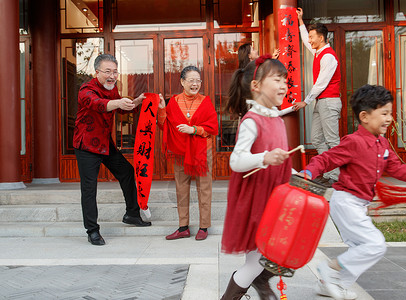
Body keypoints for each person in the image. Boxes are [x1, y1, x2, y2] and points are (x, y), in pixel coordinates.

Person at [298, 85, 406, 300]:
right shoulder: (353, 142)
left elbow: (399, 170)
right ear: (364, 116)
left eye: (390, 113)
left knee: (360, 251)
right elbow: (326, 159)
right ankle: (329, 270)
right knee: (375, 245)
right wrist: (309, 172)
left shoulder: (383, 144)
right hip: (346, 202)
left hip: (358, 205)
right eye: (384, 113)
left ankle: (332, 285)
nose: (389, 118)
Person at [220, 55, 292, 300]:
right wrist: (264, 157)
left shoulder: (277, 120)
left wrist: (297, 176)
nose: (283, 85)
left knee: (278, 254)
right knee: (255, 261)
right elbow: (236, 161)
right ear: (256, 86)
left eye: (285, 80)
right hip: (257, 203)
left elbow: (280, 162)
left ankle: (261, 283)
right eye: (277, 79)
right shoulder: (252, 121)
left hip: (275, 200)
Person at [73, 54, 152, 246]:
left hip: (105, 143)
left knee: (126, 172)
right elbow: (98, 104)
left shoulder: (113, 88)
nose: (112, 76)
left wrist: (137, 101)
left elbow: (122, 107)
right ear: (97, 72)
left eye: (115, 72)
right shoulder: (86, 89)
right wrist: (118, 102)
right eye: (107, 71)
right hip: (86, 145)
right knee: (89, 189)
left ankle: (132, 214)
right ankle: (92, 230)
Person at [157, 66, 218, 241]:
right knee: (181, 189)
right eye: (191, 80)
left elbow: (213, 127)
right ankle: (183, 227)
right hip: (181, 150)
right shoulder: (173, 102)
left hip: (202, 151)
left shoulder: (206, 101)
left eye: (198, 80)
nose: (195, 84)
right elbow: (164, 125)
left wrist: (194, 129)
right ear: (182, 82)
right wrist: (162, 108)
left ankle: (204, 227)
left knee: (204, 189)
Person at [293, 8, 342, 187]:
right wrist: (300, 21)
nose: (310, 40)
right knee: (317, 139)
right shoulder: (319, 52)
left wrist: (305, 101)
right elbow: (306, 41)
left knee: (332, 141)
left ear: (321, 38)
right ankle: (330, 173)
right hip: (321, 102)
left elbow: (321, 84)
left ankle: (337, 177)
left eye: (313, 36)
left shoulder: (328, 57)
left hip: (328, 102)